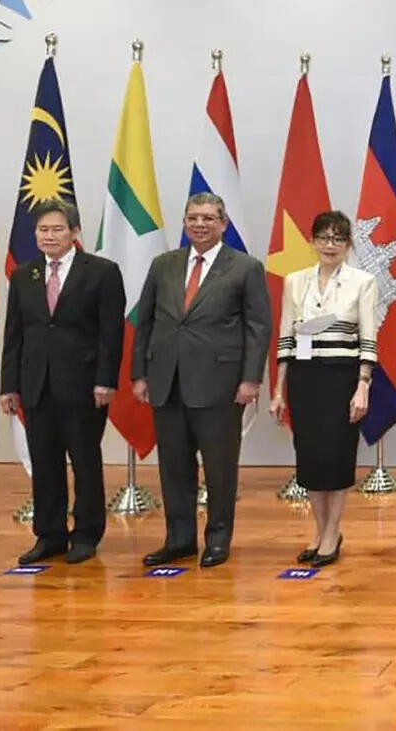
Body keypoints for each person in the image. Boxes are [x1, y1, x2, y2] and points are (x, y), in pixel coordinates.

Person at [132, 193, 272, 569]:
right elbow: (145, 321)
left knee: (219, 468)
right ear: (184, 222)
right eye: (193, 217)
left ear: (223, 224)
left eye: (209, 218)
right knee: (174, 467)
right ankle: (179, 540)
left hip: (220, 384)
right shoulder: (163, 264)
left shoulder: (245, 267)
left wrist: (250, 379)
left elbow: (259, 327)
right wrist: (140, 373)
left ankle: (218, 539)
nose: (200, 224)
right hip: (167, 382)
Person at [0, 200, 125, 565]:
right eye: (43, 230)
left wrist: (105, 380)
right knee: (44, 463)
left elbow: (111, 333)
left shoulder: (101, 272)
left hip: (84, 385)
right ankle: (49, 535)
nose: (49, 236)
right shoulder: (24, 275)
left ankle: (86, 534)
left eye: (57, 229)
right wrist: (9, 385)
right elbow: (14, 334)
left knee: (85, 461)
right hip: (36, 385)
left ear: (74, 232)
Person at [268, 211, 379, 567]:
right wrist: (278, 391)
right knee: (311, 459)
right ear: (313, 241)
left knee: (337, 458)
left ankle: (333, 532)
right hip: (304, 380)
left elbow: (368, 339)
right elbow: (287, 338)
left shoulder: (362, 281)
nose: (330, 245)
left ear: (348, 244)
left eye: (338, 239)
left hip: (342, 379)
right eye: (324, 238)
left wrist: (363, 386)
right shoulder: (295, 281)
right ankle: (319, 531)